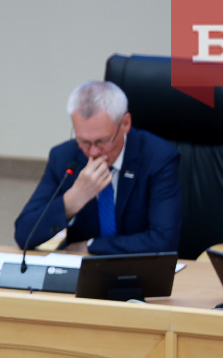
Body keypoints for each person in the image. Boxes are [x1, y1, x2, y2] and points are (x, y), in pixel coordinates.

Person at [14, 81, 181, 255]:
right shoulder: (64, 158)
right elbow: (24, 235)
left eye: (102, 141)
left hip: (139, 265)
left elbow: (164, 241)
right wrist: (73, 199)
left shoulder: (159, 158)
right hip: (80, 267)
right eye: (83, 141)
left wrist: (91, 245)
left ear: (125, 123)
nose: (92, 152)